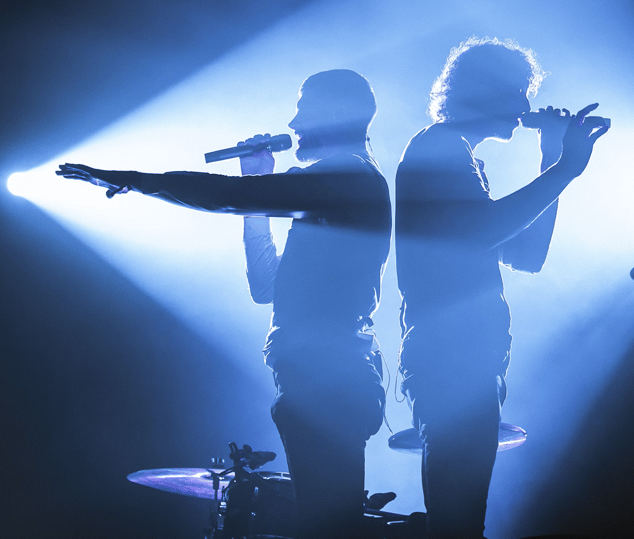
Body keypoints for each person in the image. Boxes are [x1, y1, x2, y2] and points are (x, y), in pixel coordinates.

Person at [57, 69, 391, 539]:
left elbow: (225, 198)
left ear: (338, 114)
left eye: (304, 107)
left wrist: (132, 179)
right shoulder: (327, 192)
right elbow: (267, 286)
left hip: (329, 377)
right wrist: (257, 186)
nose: (293, 121)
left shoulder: (349, 176)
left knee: (328, 525)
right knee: (322, 521)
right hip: (315, 373)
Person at [394, 38, 609, 539]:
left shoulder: (461, 157)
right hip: (451, 356)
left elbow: (526, 256)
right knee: (459, 520)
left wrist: (551, 158)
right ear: (483, 92)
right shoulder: (438, 147)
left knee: (463, 516)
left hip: (467, 355)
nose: (526, 107)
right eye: (517, 91)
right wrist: (565, 169)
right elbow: (486, 231)